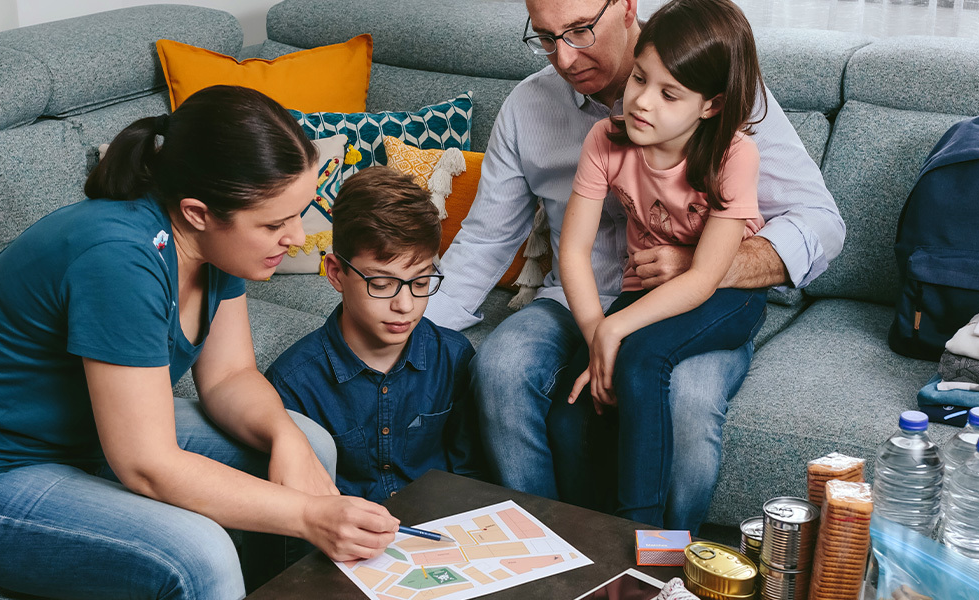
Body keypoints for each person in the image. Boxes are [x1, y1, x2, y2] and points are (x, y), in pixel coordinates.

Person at [0, 85, 399, 600]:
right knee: (200, 552)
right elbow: (146, 463)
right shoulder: (119, 258)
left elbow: (229, 377)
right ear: (198, 212)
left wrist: (284, 439)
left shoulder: (219, 249)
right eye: (273, 223)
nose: (295, 236)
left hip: (82, 432)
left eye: (298, 212)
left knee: (307, 442)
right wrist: (310, 514)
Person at [424, 0, 845, 532]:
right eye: (546, 37)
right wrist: (410, 334)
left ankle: (667, 561)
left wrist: (702, 265)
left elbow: (821, 223)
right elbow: (485, 239)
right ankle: (555, 551)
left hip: (695, 300)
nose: (565, 57)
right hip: (579, 299)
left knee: (683, 399)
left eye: (580, 31)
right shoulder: (532, 109)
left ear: (626, 7)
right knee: (501, 367)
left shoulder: (720, 88)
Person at [561, 0, 770, 527]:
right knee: (579, 398)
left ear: (711, 105)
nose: (642, 102)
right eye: (639, 79)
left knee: (641, 360)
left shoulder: (733, 154)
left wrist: (618, 331)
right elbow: (573, 251)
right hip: (646, 290)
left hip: (725, 295)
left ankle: (644, 541)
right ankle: (590, 535)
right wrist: (596, 335)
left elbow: (704, 277)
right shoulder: (605, 140)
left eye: (669, 93)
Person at [267, 167, 485, 502]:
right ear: (337, 273)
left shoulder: (453, 358)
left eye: (421, 282)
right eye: (381, 284)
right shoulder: (292, 384)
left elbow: (470, 477)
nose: (405, 305)